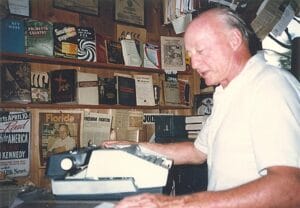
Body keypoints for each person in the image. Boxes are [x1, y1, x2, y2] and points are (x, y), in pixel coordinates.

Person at [102, 7, 300, 208]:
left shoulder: (270, 85)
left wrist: (173, 204)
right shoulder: (227, 91)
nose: (194, 63)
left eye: (201, 51)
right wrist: (135, 149)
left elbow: (290, 187)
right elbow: (196, 152)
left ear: (234, 40)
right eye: (190, 55)